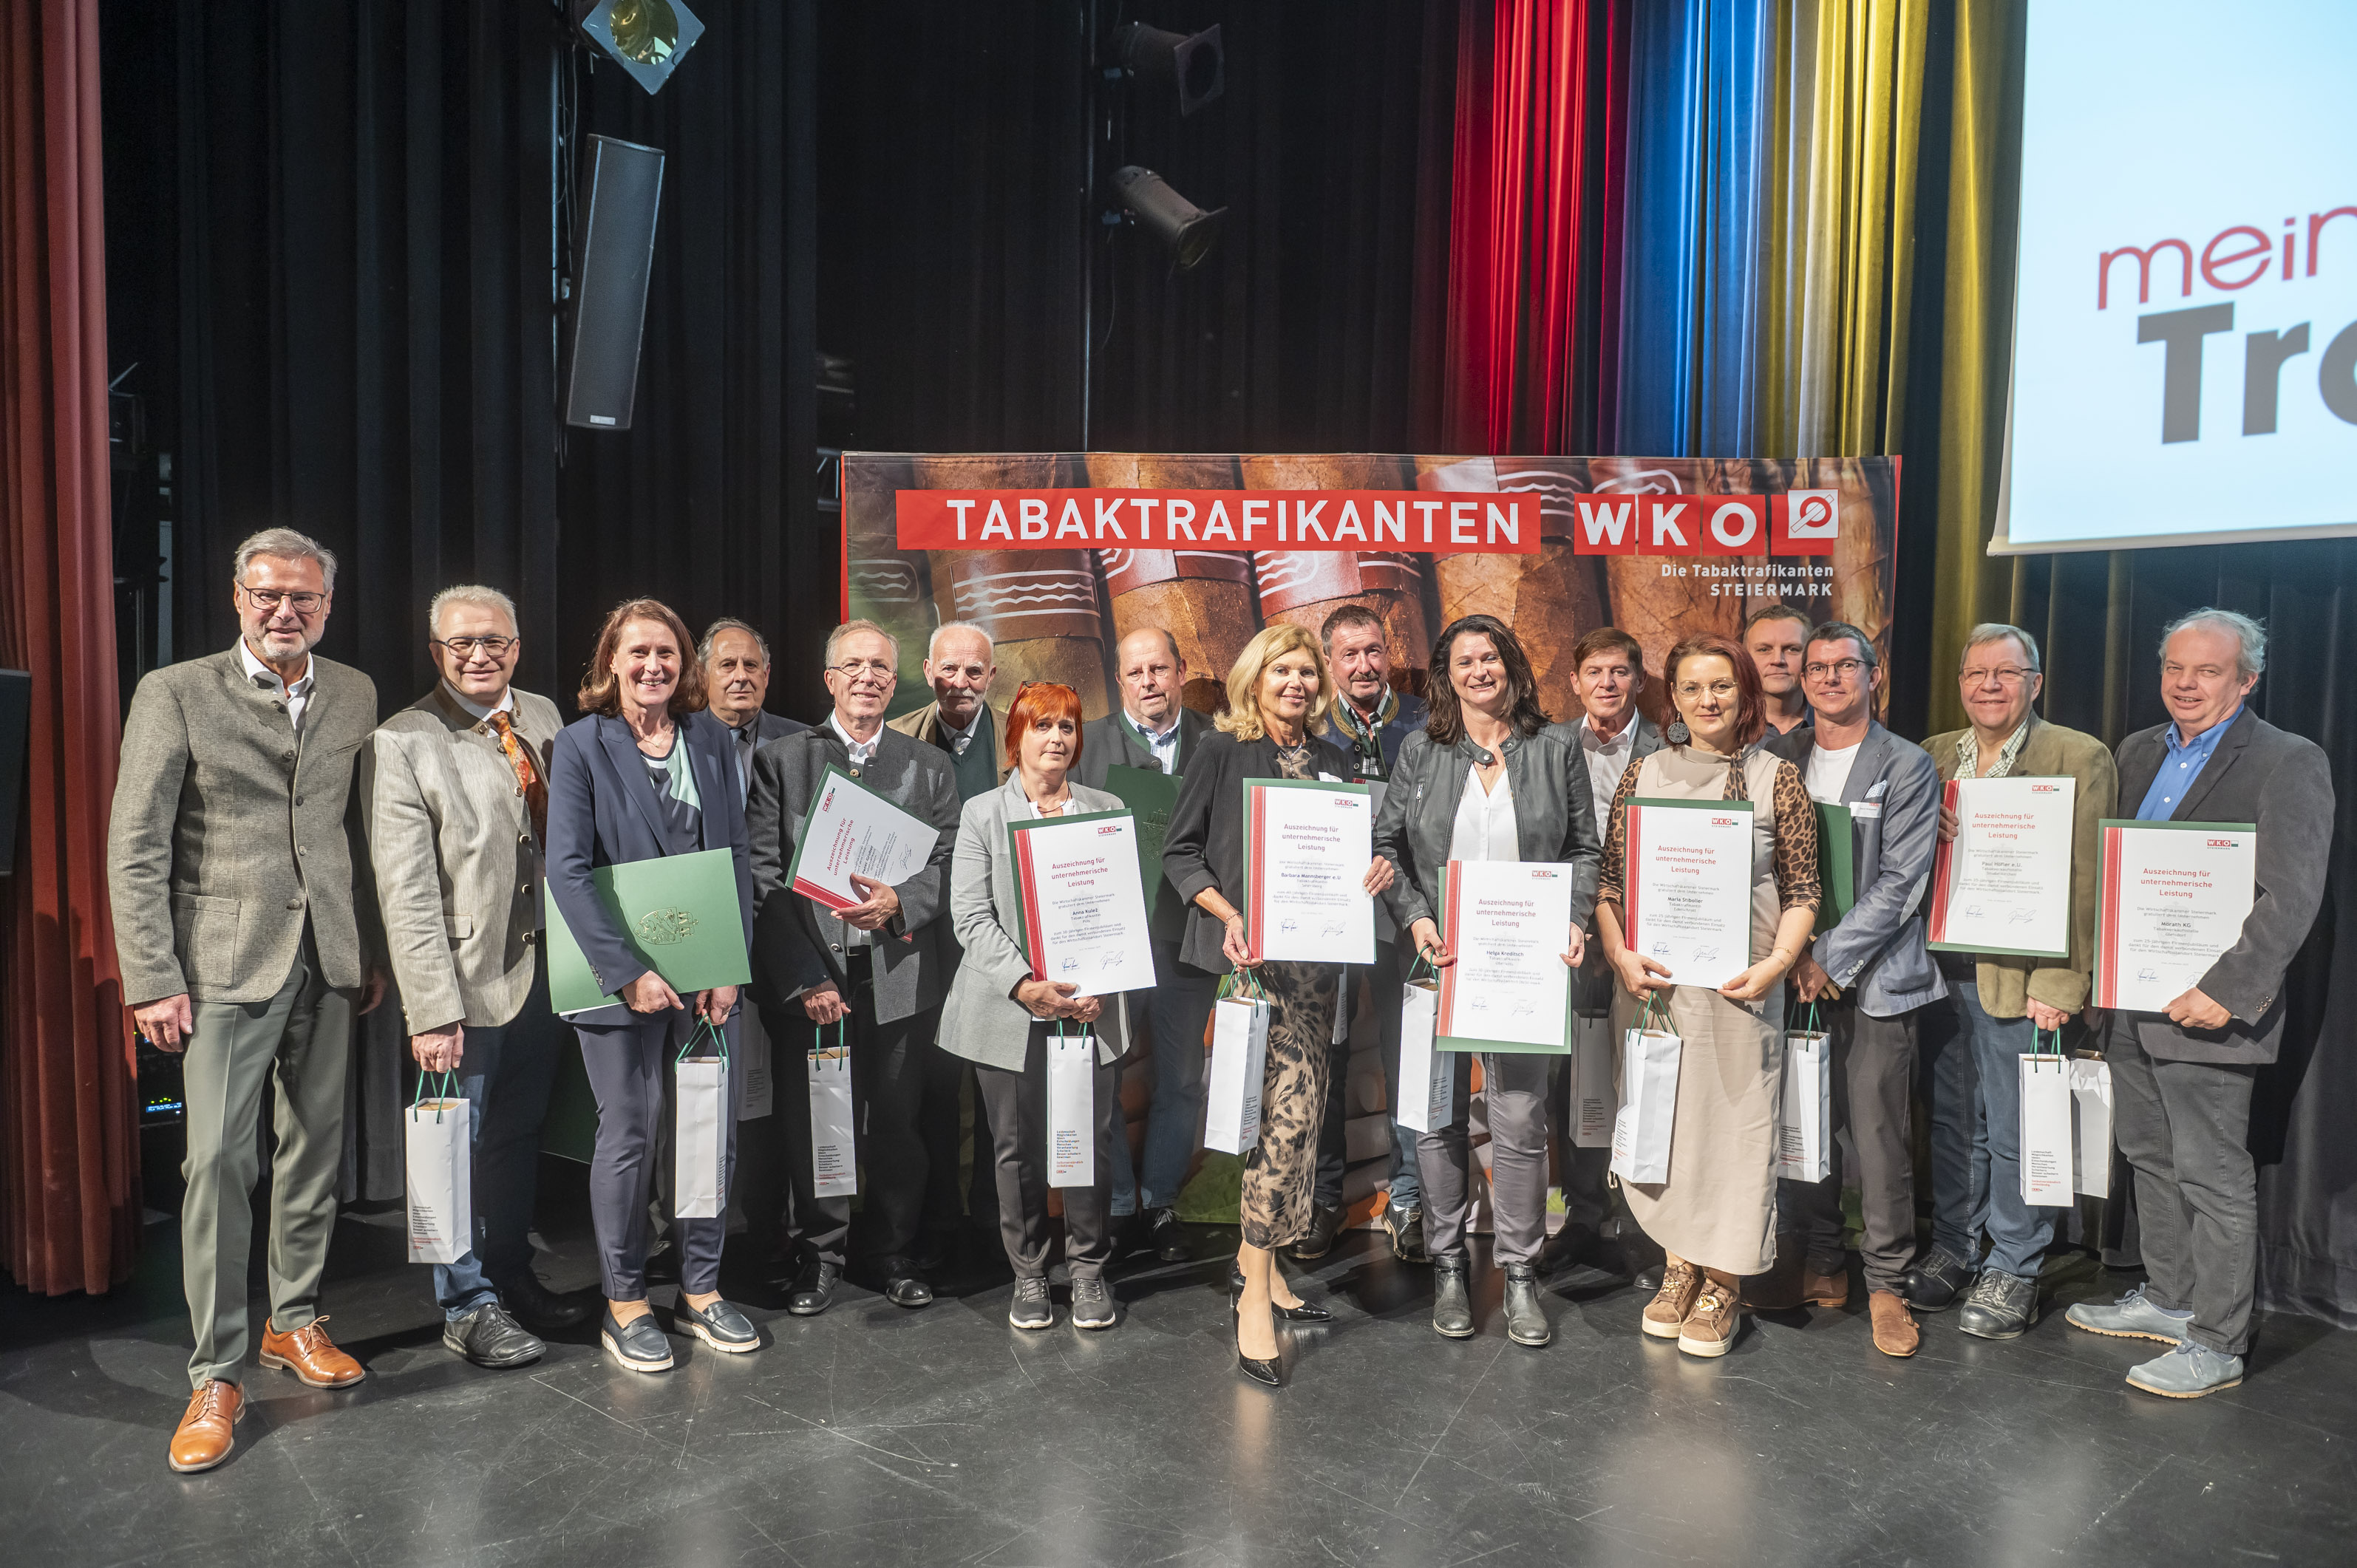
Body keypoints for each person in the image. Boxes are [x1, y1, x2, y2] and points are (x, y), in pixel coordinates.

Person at [109, 528, 385, 1473]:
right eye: (267, 594)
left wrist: (367, 949)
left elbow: (353, 827)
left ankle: (294, 1319)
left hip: (329, 959)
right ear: (236, 597)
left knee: (314, 1151)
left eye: (303, 597)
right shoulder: (176, 692)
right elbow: (136, 841)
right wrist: (151, 976)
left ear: (327, 604)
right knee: (219, 1165)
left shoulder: (352, 691)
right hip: (223, 964)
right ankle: (218, 1369)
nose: (285, 610)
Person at [2067, 610, 2333, 1397]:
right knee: (2150, 1155)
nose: (2186, 683)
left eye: (2207, 671)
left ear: (2246, 680)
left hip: (2209, 1007)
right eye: (2175, 668)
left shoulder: (2290, 761)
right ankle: (2171, 1298)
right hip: (2131, 1000)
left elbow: (2292, 896)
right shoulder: (2138, 751)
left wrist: (2226, 992)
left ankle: (2217, 1342)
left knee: (2213, 1172)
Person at [1163, 624, 1395, 1386]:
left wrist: (1373, 874)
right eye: (1280, 670)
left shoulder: (1334, 760)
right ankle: (1255, 1295)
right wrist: (1229, 918)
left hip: (1318, 972)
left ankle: (1257, 1266)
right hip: (1254, 972)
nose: (1294, 682)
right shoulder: (1222, 752)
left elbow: (1350, 856)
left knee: (1294, 1121)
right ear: (1253, 678)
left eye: (1304, 671)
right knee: (1284, 1126)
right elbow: (1180, 852)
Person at [367, 584, 587, 1373]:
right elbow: (406, 889)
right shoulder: (402, 741)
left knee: (515, 1137)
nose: (479, 654)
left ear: (516, 646)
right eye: (461, 643)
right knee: (452, 1145)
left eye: (493, 640)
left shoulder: (546, 716)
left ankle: (510, 1276)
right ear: (436, 653)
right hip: (462, 984)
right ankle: (464, 1303)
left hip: (546, 975)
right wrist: (430, 1009)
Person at [1372, 615, 1599, 1347]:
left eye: (1492, 657)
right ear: (1447, 674)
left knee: (1522, 1121)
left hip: (1525, 964)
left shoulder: (1555, 746)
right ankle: (1445, 1265)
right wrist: (1413, 917)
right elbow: (1387, 847)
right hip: (1439, 962)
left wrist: (1573, 917)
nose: (1480, 670)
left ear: (1511, 667)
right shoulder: (1420, 750)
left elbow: (1584, 848)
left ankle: (1522, 1274)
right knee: (1434, 1119)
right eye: (1466, 660)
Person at [545, 599, 758, 1373]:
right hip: (617, 980)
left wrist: (729, 963)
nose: (653, 666)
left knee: (709, 1131)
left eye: (666, 652)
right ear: (610, 661)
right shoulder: (579, 745)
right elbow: (566, 870)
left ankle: (700, 1289)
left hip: (709, 980)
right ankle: (626, 1300)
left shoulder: (708, 737)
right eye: (637, 652)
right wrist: (628, 971)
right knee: (631, 1134)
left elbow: (733, 853)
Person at [1594, 633, 1820, 1358]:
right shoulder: (1643, 773)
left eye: (1721, 685)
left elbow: (1803, 889)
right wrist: (1619, 953)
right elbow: (1607, 886)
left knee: (1739, 1134)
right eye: (1692, 688)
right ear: (1674, 698)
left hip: (1741, 991)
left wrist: (1779, 963)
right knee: (1670, 1129)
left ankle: (1724, 1282)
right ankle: (1678, 1267)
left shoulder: (1774, 777)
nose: (1708, 700)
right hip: (1656, 993)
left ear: (1744, 691)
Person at [1905, 624, 2116, 1340]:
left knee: (2020, 1130)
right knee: (1953, 1121)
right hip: (1941, 973)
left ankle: (2015, 1263)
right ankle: (1958, 1245)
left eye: (2006, 671)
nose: (1989, 685)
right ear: (1960, 681)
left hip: (2022, 980)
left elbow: (2090, 878)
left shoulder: (2077, 754)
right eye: (1976, 673)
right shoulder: (1933, 755)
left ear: (2036, 682)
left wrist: (2062, 981)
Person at [746, 619, 961, 1314]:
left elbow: (955, 862)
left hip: (900, 977)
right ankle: (821, 1254)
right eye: (853, 666)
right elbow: (761, 875)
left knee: (897, 1126)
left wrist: (904, 903)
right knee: (819, 1122)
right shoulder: (781, 760)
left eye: (880, 667)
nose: (867, 676)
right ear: (830, 679)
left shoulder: (929, 766)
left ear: (895, 682)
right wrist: (804, 976)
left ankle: (890, 1252)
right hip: (815, 984)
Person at [1758, 621, 1945, 1358]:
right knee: (1804, 1121)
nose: (1830, 678)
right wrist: (1788, 958)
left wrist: (1827, 956)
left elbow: (1902, 885)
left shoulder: (1905, 763)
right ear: (1800, 680)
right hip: (1790, 976)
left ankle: (1888, 1281)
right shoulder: (1778, 756)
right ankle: (1825, 1263)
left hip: (1873, 981)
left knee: (1877, 1135)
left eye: (1846, 665)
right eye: (1817, 667)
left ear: (1874, 675)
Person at [940, 682, 1129, 1329]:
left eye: (1067, 728)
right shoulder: (981, 814)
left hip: (1088, 1009)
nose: (1055, 739)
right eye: (1042, 726)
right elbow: (968, 915)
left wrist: (1105, 977)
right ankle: (1027, 1274)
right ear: (1014, 737)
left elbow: (1118, 913)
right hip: (1008, 1009)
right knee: (1014, 1149)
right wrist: (1026, 986)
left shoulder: (1106, 808)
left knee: (1086, 1143)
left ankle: (1087, 1272)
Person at [1078, 627, 1217, 1264]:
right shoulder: (1089, 743)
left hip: (1189, 936)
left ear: (1181, 671)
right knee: (1103, 1074)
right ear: (1119, 680)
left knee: (1183, 1077)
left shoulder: (1216, 743)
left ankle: (1160, 1198)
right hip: (1111, 937)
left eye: (1158, 669)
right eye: (1135, 674)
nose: (1148, 683)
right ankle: (1117, 1204)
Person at [1540, 627, 1666, 1278]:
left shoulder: (1670, 747)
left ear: (1639, 681)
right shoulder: (1547, 746)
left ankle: (1645, 1223)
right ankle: (1584, 1215)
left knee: (1644, 1078)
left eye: (1619, 672)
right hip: (1568, 940)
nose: (1607, 684)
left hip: (1647, 943)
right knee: (1574, 1083)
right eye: (1594, 672)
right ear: (1574, 682)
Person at [1317, 603, 1433, 1264]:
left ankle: (1409, 1199)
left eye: (1372, 651)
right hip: (1329, 921)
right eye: (1349, 655)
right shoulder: (1308, 727)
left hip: (1404, 920)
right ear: (1330, 662)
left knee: (1406, 1059)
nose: (1363, 665)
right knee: (1325, 1059)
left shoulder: (1424, 721)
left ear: (1388, 653)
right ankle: (1323, 1198)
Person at [887, 621, 1005, 802]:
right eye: (949, 669)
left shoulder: (1020, 736)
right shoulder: (895, 737)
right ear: (928, 672)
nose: (960, 683)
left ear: (990, 676)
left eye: (974, 671)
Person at [701, 618, 810, 799]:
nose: (742, 676)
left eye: (751, 665)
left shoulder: (804, 741)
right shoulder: (679, 737)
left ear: (766, 675)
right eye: (728, 665)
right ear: (703, 675)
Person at [1744, 603, 1814, 737]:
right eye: (1764, 650)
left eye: (1792, 649)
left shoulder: (1836, 726)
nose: (1777, 660)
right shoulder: (1725, 731)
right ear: (1745, 658)